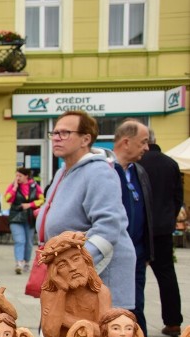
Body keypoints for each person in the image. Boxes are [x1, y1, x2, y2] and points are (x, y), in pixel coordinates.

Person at [36, 110, 135, 309]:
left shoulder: (98, 172)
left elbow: (108, 227)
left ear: (85, 139)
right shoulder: (63, 171)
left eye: (64, 133)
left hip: (97, 278)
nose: (56, 138)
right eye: (54, 133)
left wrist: (75, 267)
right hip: (71, 275)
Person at [140, 129, 184, 337]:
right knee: (167, 275)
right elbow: (178, 197)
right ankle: (173, 321)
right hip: (163, 228)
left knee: (135, 274)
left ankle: (132, 320)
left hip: (140, 227)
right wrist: (169, 218)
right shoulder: (170, 163)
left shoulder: (137, 162)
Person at [113, 120, 153, 337]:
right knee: (117, 313)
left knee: (136, 308)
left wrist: (147, 250)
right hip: (113, 257)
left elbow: (147, 212)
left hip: (137, 255)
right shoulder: (106, 169)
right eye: (143, 142)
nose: (147, 148)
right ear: (126, 142)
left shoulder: (139, 172)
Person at [3, 167, 44, 274]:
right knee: (19, 240)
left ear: (26, 176)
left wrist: (30, 204)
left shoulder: (35, 186)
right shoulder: (13, 186)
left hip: (30, 218)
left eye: (19, 176)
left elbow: (42, 200)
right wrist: (14, 188)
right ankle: (19, 263)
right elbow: (7, 198)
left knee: (29, 242)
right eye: (16, 175)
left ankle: (26, 261)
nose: (17, 178)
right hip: (16, 217)